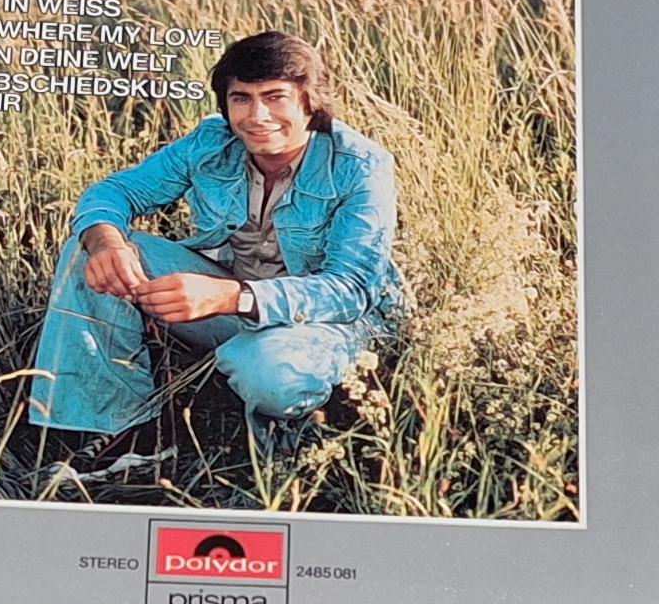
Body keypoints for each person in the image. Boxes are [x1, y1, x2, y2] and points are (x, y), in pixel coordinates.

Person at [26, 30, 407, 467]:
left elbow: (351, 289)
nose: (258, 116)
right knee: (89, 250)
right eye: (241, 98)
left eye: (275, 97)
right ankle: (122, 432)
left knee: (269, 374)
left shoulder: (360, 165)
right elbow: (115, 193)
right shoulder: (212, 143)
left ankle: (295, 432)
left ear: (310, 101)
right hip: (230, 300)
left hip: (333, 322)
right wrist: (107, 243)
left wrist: (232, 297)